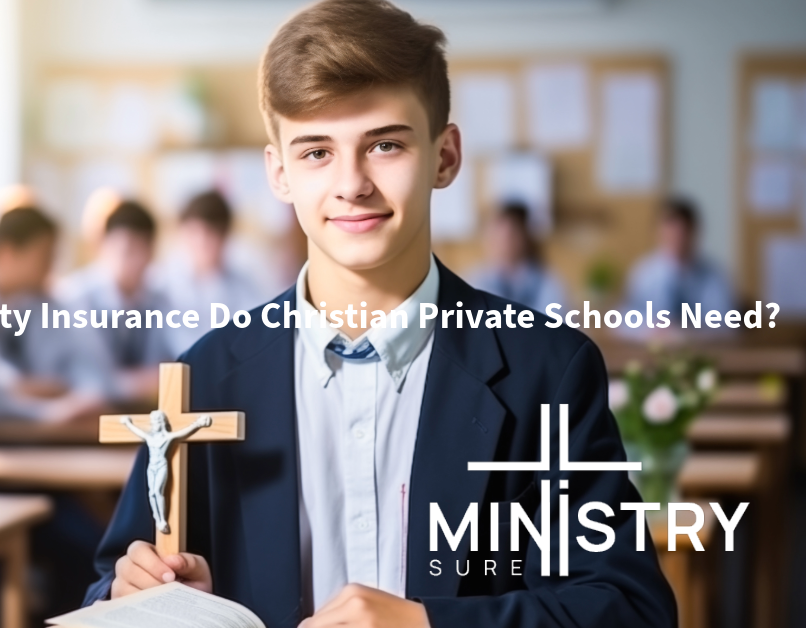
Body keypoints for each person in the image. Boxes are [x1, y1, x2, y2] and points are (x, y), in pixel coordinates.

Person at [87, 2, 676, 627]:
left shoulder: (547, 371)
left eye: (385, 144)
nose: (352, 184)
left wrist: (426, 624)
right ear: (279, 172)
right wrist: (147, 597)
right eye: (316, 153)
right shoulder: (205, 376)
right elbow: (110, 587)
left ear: (444, 156)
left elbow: (626, 608)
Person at [0, 206, 113, 422]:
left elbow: (89, 369)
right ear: (7, 253)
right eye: (44, 256)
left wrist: (78, 393)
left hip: (49, 435)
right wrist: (31, 390)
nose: (51, 268)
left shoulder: (50, 302)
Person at [58, 200, 175, 400]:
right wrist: (143, 382)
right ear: (103, 247)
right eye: (126, 251)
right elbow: (92, 380)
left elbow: (169, 368)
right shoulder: (76, 298)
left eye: (142, 250)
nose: (134, 262)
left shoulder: (159, 299)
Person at [154, 190, 266, 355]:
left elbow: (255, 334)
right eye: (193, 232)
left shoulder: (245, 285)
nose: (201, 243)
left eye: (210, 234)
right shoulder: (160, 285)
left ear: (225, 236)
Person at [625, 197, 733, 315]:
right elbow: (626, 318)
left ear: (694, 233)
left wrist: (692, 328)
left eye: (682, 233)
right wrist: (649, 325)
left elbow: (727, 322)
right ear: (659, 232)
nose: (676, 238)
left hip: (698, 332)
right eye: (670, 231)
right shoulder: (644, 273)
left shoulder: (713, 275)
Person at [467, 202, 567, 312]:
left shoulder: (546, 283)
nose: (502, 243)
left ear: (524, 238)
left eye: (510, 236)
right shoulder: (477, 280)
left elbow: (560, 321)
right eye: (497, 235)